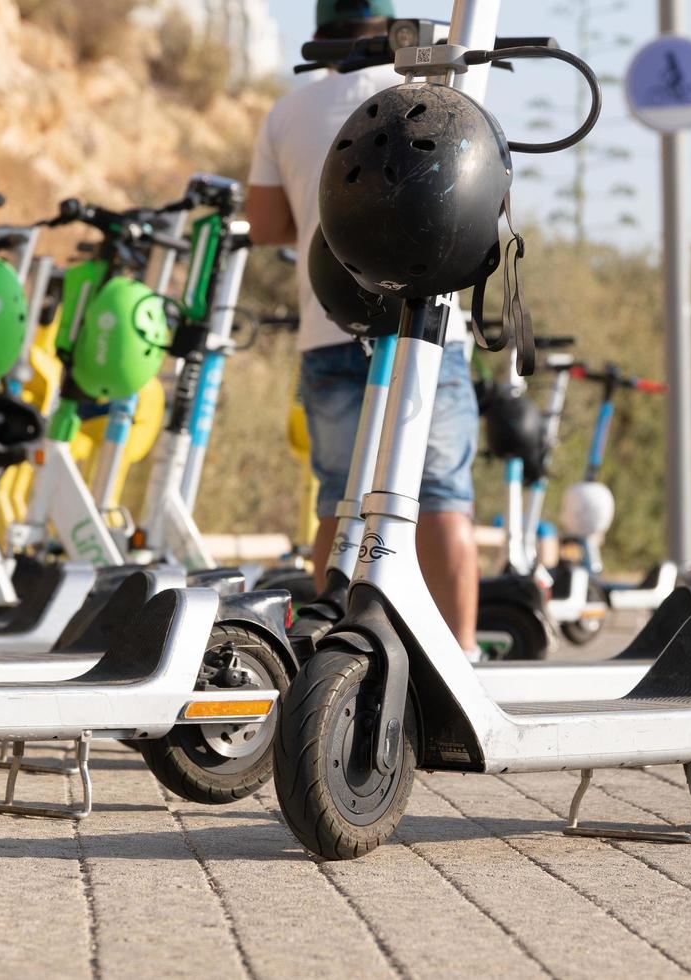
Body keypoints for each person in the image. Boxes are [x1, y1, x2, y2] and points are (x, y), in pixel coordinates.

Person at [245, 0, 480, 657]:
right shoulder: (430, 94)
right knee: (441, 499)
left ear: (322, 28)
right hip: (423, 334)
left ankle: (332, 654)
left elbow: (266, 228)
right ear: (393, 28)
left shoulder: (289, 110)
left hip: (329, 328)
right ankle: (458, 657)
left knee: (339, 502)